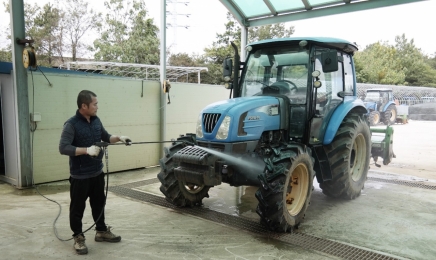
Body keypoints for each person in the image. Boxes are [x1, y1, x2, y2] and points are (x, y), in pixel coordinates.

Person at [59, 90, 131, 255]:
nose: (97, 107)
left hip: (97, 173)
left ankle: (101, 231)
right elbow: (63, 148)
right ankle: (78, 237)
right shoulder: (71, 124)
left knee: (99, 203)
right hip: (80, 176)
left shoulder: (96, 120)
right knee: (77, 208)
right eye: (95, 104)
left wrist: (119, 138)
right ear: (84, 106)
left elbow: (105, 137)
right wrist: (86, 150)